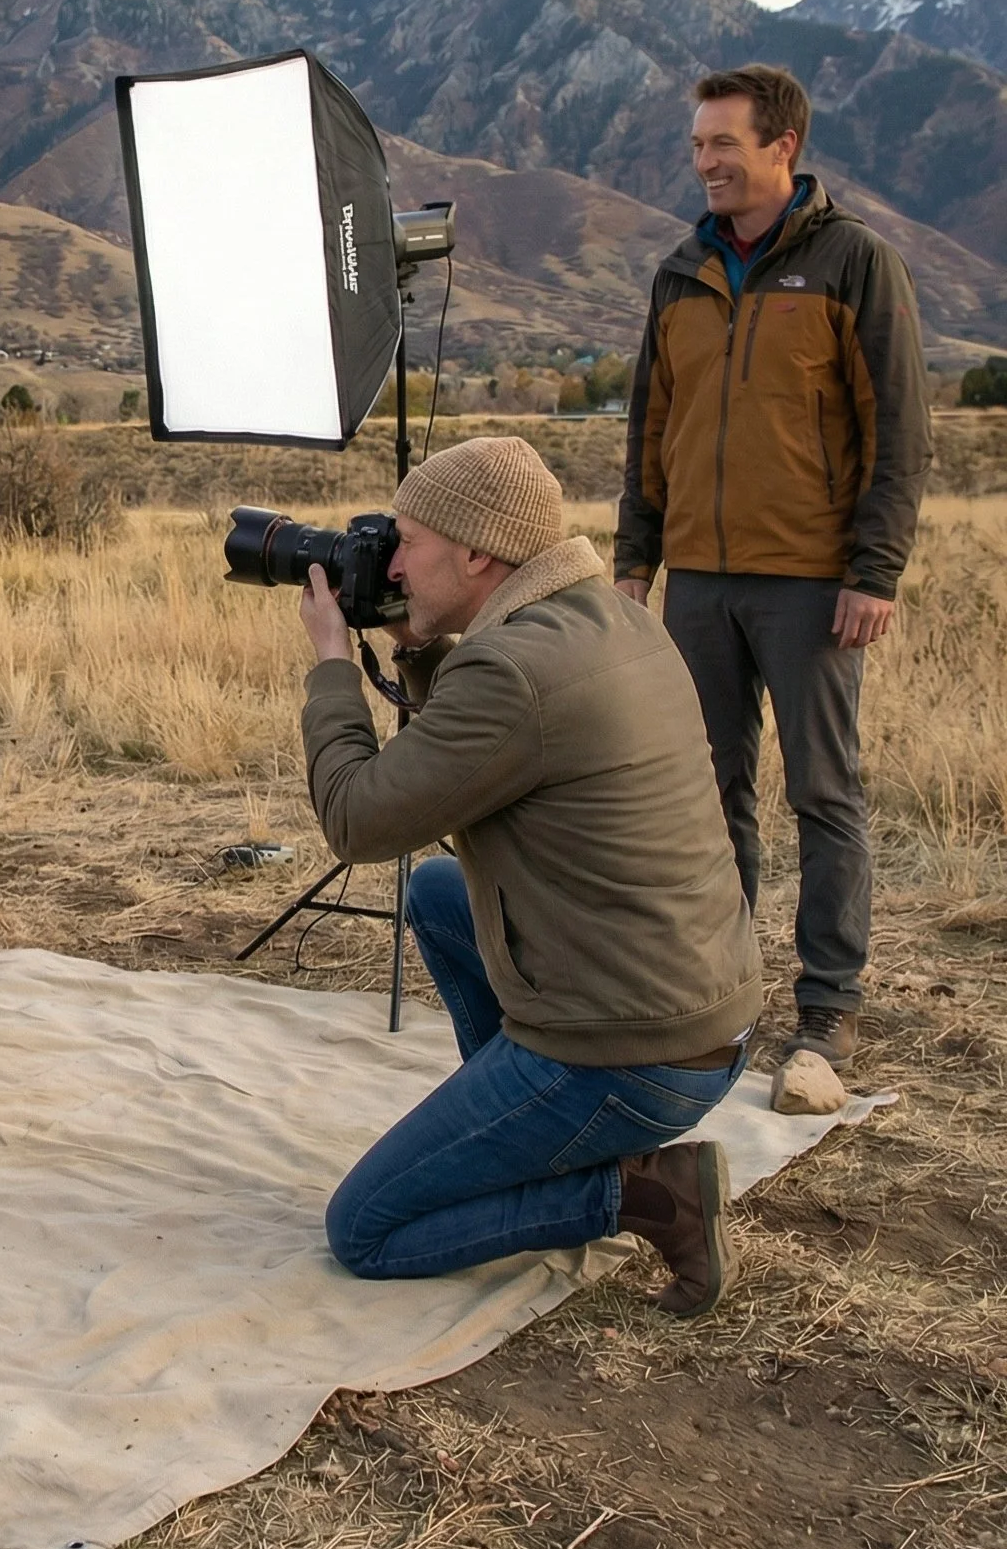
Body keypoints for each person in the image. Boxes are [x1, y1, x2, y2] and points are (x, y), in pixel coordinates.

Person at [301, 436, 762, 1314]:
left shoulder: (512, 668)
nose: (388, 561)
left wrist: (331, 666)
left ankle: (645, 1193)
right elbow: (482, 747)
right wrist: (415, 643)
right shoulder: (607, 617)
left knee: (363, 1230)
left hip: (631, 1055)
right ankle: (532, 1133)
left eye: (405, 541)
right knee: (437, 894)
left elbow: (358, 819)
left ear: (476, 552)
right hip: (705, 1018)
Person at [616, 65, 931, 1069]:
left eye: (720, 143)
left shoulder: (852, 263)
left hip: (809, 581)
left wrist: (871, 571)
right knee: (705, 795)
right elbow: (647, 427)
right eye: (696, 144)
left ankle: (826, 1012)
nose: (702, 160)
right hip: (698, 583)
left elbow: (900, 433)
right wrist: (634, 558)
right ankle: (715, 1004)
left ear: (779, 147)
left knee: (821, 794)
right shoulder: (679, 272)